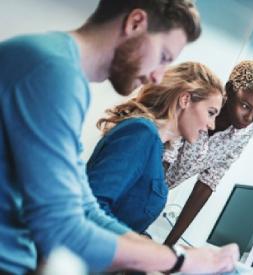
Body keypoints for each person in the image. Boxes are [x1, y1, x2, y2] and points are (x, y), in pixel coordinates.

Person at [0, 0, 238, 274]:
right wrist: (177, 260)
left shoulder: (63, 74)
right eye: (163, 56)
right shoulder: (52, 71)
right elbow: (63, 229)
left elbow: (86, 209)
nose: (158, 75)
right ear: (135, 23)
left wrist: (167, 255)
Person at [87, 62, 225, 234]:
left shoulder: (156, 147)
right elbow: (92, 209)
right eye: (211, 113)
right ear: (185, 100)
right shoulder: (141, 133)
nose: (211, 125)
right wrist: (150, 252)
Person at [163, 60, 253, 245]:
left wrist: (169, 246)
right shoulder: (198, 104)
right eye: (245, 106)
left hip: (153, 196)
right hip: (139, 182)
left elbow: (208, 183)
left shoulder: (245, 132)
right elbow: (165, 158)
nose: (249, 118)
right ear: (229, 90)